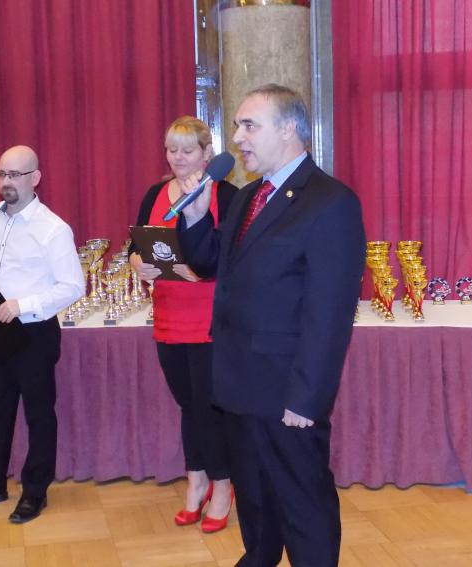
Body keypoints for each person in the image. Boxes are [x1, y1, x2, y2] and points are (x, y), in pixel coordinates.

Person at [177, 85, 366, 566]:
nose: (237, 138)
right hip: (239, 385)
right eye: (237, 126)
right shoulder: (248, 197)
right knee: (256, 501)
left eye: (249, 125)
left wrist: (307, 398)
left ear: (288, 129)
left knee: (303, 505)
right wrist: (196, 219)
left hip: (287, 392)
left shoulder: (330, 201)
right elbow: (211, 264)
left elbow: (330, 314)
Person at [0, 145, 84, 524]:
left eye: (14, 175)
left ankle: (35, 491)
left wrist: (23, 304)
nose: (6, 182)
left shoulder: (53, 229)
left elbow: (73, 286)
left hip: (35, 333)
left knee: (39, 415)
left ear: (35, 178)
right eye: (1, 174)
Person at [129, 116, 238, 533]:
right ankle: (197, 481)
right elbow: (135, 246)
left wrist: (201, 271)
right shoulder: (155, 194)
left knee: (209, 408)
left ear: (207, 153)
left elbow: (232, 258)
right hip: (169, 316)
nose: (177, 158)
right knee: (188, 406)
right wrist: (138, 263)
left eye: (187, 150)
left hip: (211, 320)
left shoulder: (227, 195)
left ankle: (223, 486)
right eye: (171, 150)